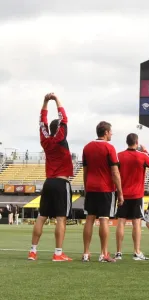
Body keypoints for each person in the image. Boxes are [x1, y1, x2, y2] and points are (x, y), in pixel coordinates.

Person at [28, 93, 73, 262]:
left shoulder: (45, 141)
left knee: (42, 216)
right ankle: (58, 253)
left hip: (48, 182)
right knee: (61, 218)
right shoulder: (61, 138)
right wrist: (56, 100)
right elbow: (64, 118)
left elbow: (42, 122)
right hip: (61, 183)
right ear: (60, 129)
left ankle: (33, 251)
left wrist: (45, 102)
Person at [82, 121, 123, 263]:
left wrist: (86, 188)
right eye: (110, 131)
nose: (111, 134)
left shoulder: (87, 148)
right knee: (104, 219)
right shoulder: (110, 148)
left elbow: (85, 171)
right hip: (105, 189)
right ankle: (103, 254)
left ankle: (86, 253)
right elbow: (115, 172)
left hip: (91, 188)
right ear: (105, 132)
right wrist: (120, 192)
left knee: (89, 219)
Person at [115, 133, 149, 260]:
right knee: (136, 223)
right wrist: (145, 150)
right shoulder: (142, 156)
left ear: (127, 142)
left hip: (122, 193)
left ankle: (118, 252)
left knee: (121, 222)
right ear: (136, 142)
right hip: (137, 194)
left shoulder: (119, 156)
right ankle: (137, 252)